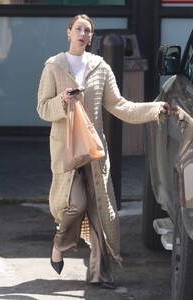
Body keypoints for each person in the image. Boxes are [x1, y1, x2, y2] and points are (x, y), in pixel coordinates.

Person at [37, 14, 170, 289]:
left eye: (87, 31)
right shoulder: (54, 66)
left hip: (94, 150)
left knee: (100, 212)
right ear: (68, 32)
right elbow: (41, 109)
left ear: (91, 37)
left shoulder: (100, 67)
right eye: (78, 29)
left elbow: (121, 106)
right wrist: (62, 100)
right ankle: (59, 244)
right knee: (76, 205)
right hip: (66, 151)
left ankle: (100, 274)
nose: (82, 34)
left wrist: (155, 109)